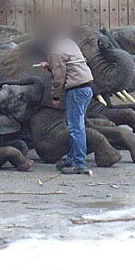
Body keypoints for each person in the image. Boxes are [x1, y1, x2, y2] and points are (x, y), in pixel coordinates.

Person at [41, 36, 94, 174]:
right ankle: (72, 158)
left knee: (76, 128)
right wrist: (50, 66)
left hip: (76, 90)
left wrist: (56, 96)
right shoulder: (69, 43)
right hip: (87, 88)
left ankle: (79, 164)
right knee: (77, 125)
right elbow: (69, 65)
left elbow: (59, 78)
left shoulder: (54, 52)